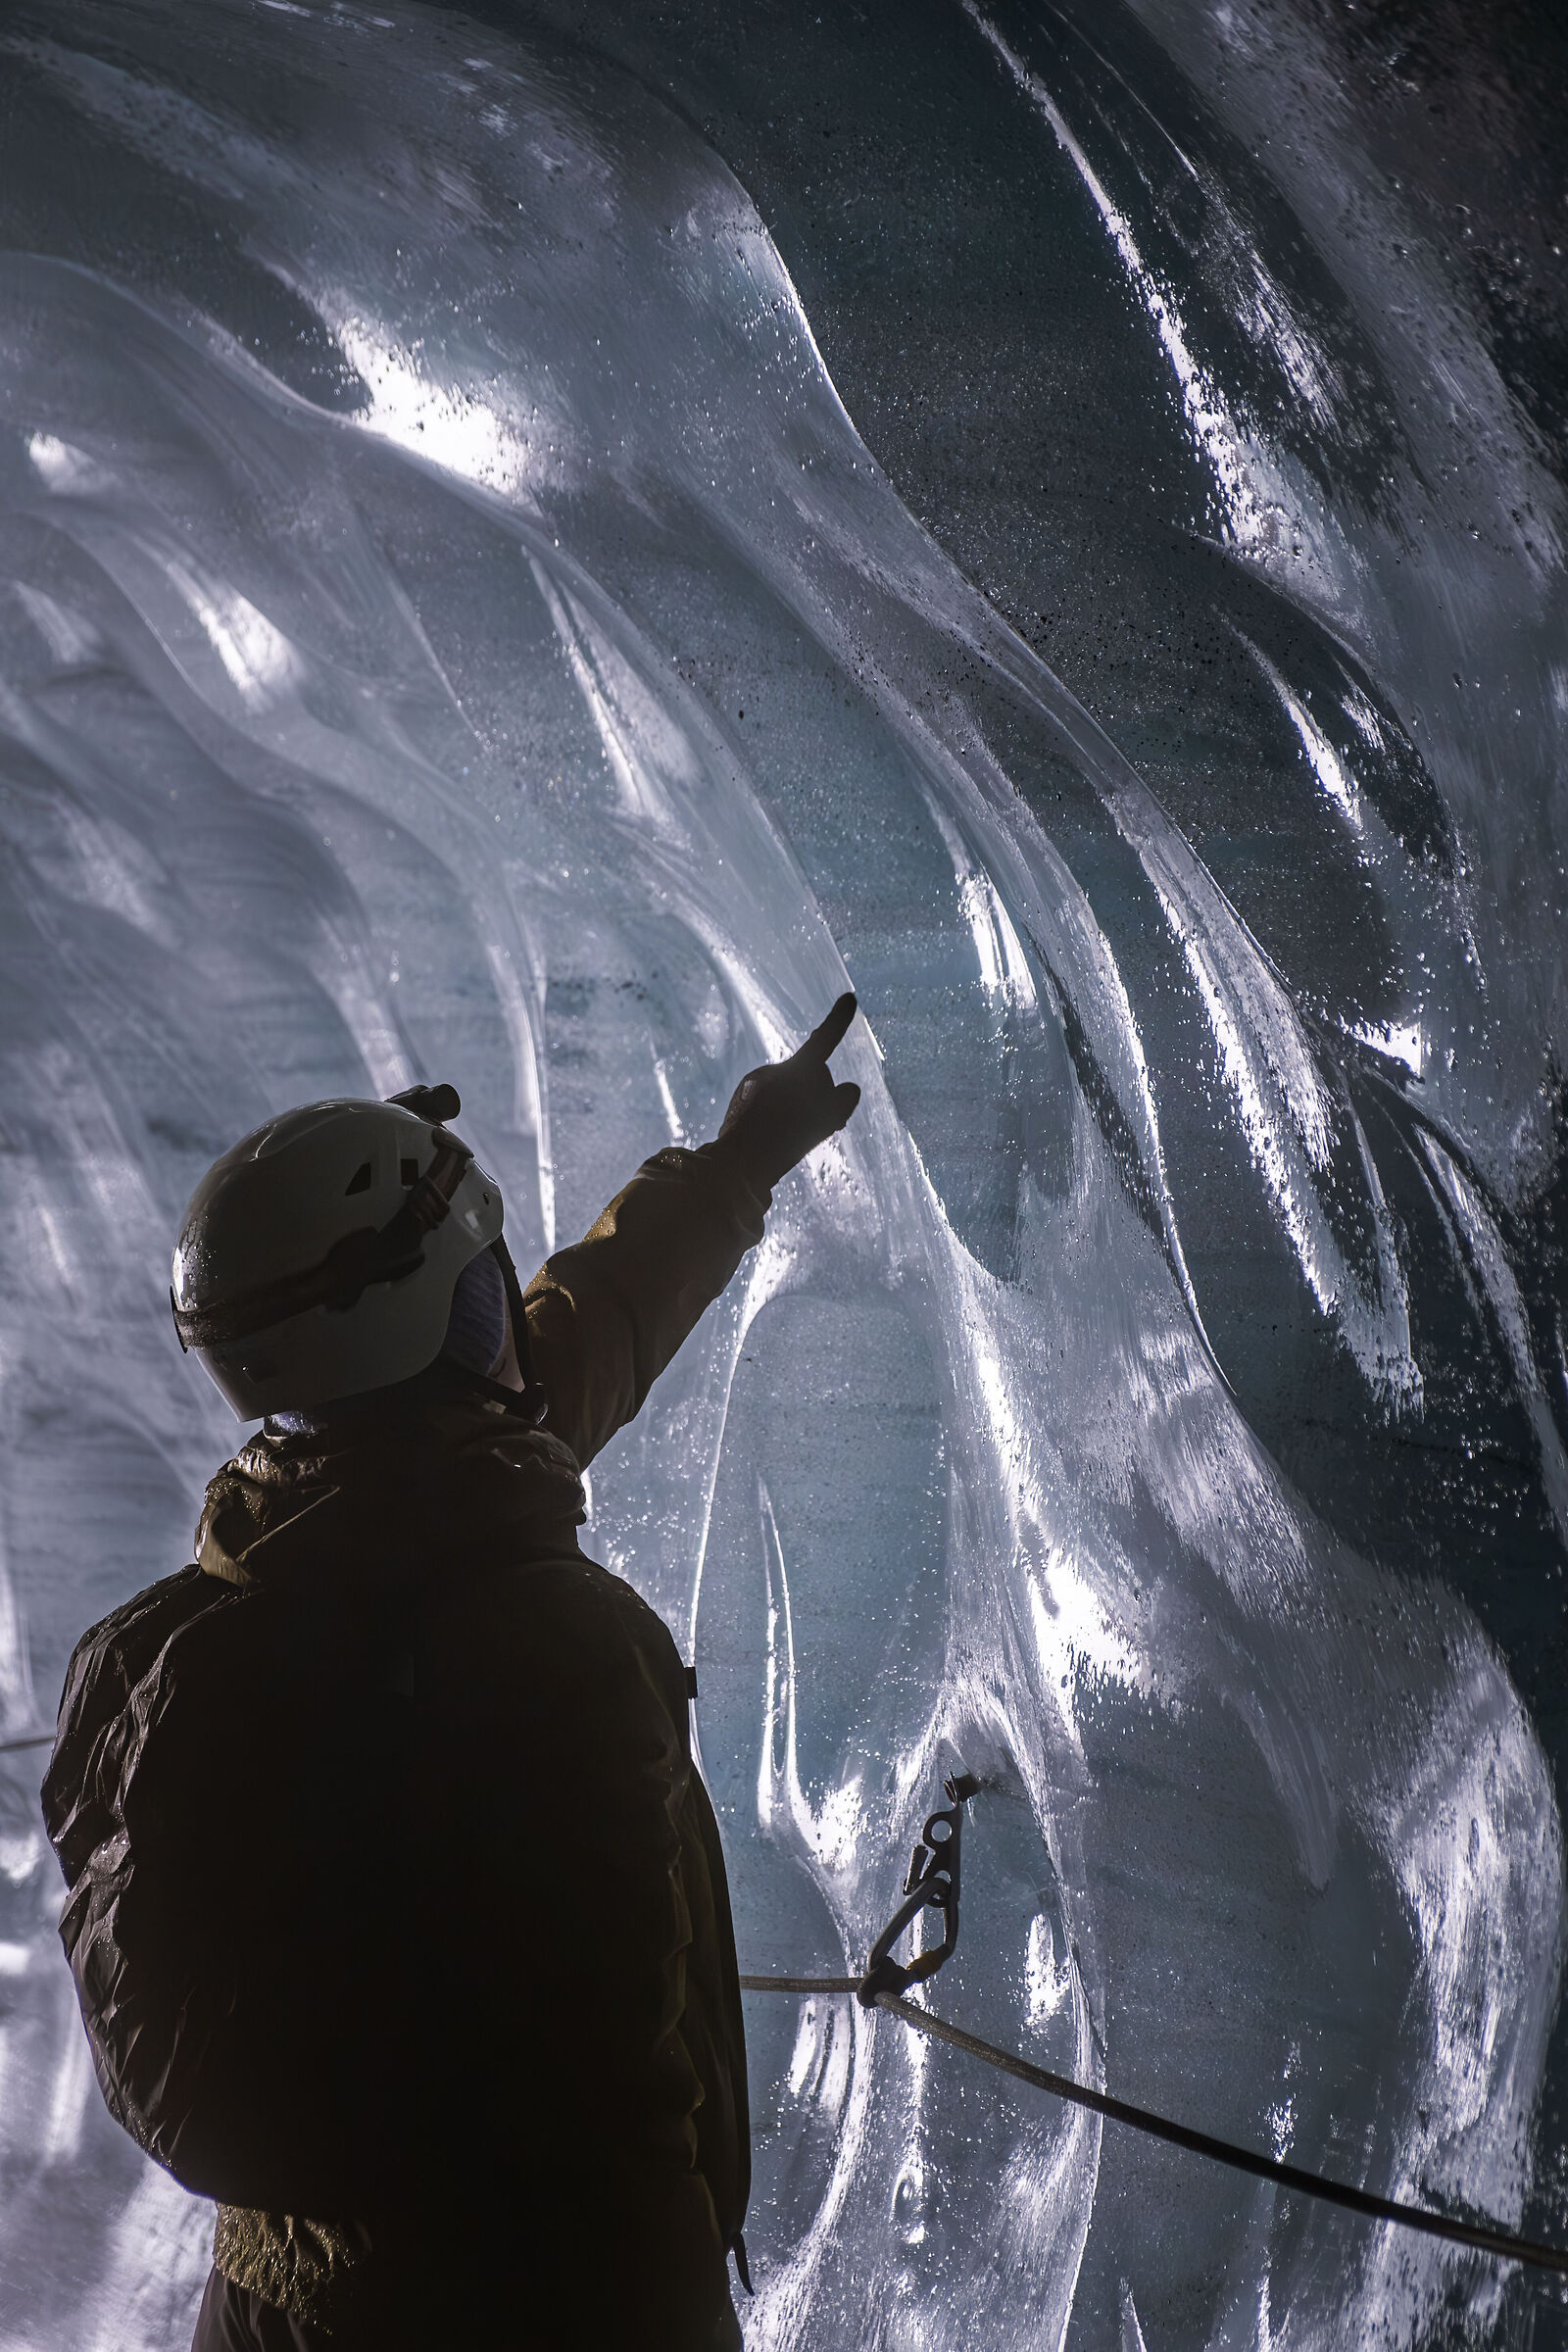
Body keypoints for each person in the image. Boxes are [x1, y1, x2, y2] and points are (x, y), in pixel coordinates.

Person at [42, 996, 861, 2352]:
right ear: (434, 1324)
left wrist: (730, 1172)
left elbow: (547, 1364)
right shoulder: (537, 1649)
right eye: (486, 1287)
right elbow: (603, 2138)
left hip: (277, 2302)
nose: (511, 1317)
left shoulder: (246, 1584)